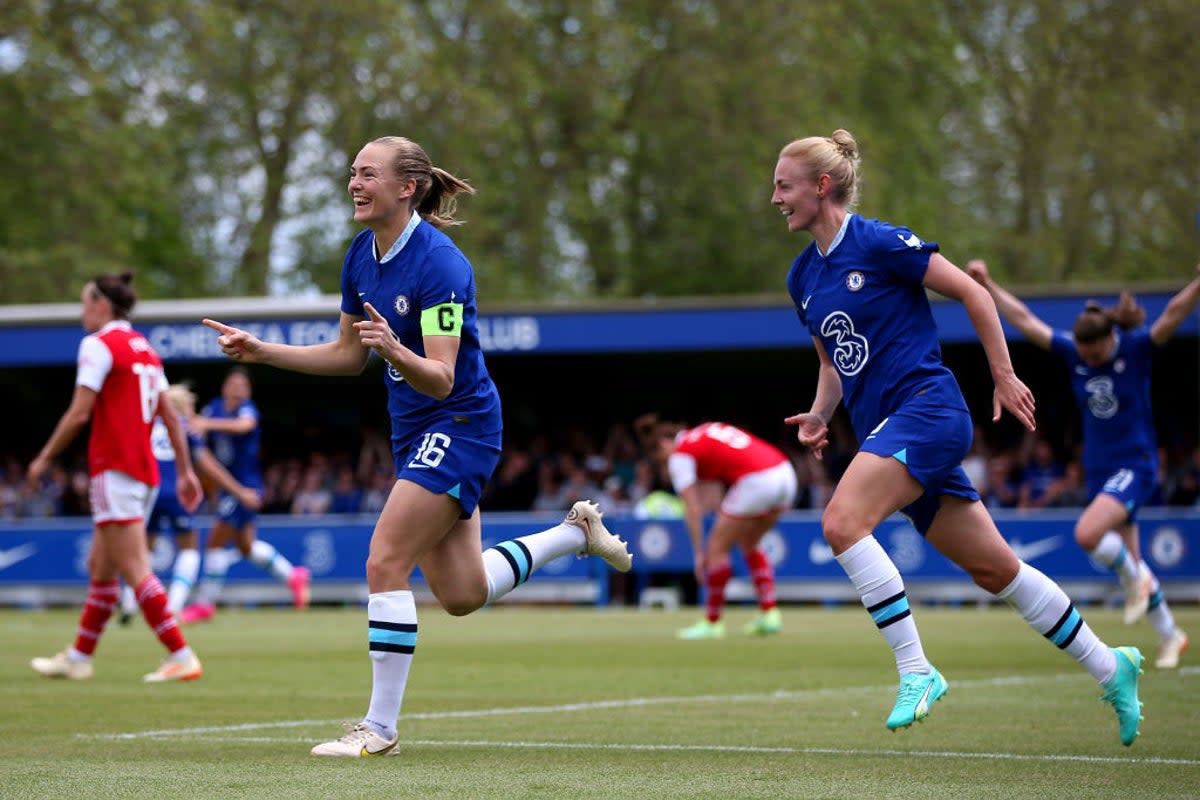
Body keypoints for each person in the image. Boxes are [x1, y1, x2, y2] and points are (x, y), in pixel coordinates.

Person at [200, 135, 633, 757]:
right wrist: (262, 351)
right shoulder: (359, 255)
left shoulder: (441, 264)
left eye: (367, 174)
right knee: (460, 594)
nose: (354, 182)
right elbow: (349, 356)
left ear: (406, 187)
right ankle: (574, 534)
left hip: (460, 423)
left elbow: (442, 376)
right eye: (352, 172)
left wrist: (395, 349)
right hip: (415, 431)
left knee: (384, 560)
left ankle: (379, 729)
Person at [772, 129, 1143, 744]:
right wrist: (818, 414)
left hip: (929, 411)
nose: (775, 198)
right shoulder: (801, 277)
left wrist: (1002, 374)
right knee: (997, 571)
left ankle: (917, 669)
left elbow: (971, 292)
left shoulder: (880, 240)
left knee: (841, 524)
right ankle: (1113, 667)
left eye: (784, 186)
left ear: (822, 186)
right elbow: (831, 361)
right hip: (890, 431)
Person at [968, 258, 1197, 669]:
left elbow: (1176, 311)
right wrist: (988, 285)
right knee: (1133, 564)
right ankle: (1171, 635)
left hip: (1136, 463)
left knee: (1088, 533)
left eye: (1094, 354)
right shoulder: (1073, 352)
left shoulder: (1138, 348)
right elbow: (1025, 319)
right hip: (1099, 467)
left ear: (1110, 339)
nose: (1088, 361)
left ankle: (1137, 583)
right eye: (1084, 355)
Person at [27, 272, 205, 682]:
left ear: (102, 305)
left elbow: (78, 413)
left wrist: (44, 457)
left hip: (115, 468)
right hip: (142, 474)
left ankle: (180, 654)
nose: (82, 311)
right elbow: (171, 419)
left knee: (135, 567)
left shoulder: (98, 345)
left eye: (85, 302)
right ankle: (79, 657)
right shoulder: (145, 349)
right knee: (101, 565)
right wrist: (184, 471)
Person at [636, 414, 795, 639]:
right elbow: (718, 487)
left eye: (661, 459)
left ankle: (713, 622)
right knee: (750, 543)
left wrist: (700, 553)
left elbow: (693, 509)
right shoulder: (705, 431)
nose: (666, 467)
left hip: (757, 480)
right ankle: (770, 614)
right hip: (784, 473)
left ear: (663, 444)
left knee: (715, 551)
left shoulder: (680, 455)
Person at [118, 384, 264, 621]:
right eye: (189, 406)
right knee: (189, 550)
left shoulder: (147, 425)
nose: (192, 412)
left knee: (142, 550)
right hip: (177, 493)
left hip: (147, 492)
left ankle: (128, 602)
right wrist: (239, 491)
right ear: (181, 406)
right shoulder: (183, 427)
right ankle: (173, 606)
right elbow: (209, 465)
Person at [180, 367, 310, 622]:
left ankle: (205, 604)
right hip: (227, 486)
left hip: (245, 487)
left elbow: (243, 426)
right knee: (246, 546)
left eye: (242, 385)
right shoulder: (214, 407)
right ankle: (293, 575)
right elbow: (200, 434)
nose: (237, 389)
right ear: (224, 387)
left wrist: (206, 423)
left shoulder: (247, 410)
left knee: (215, 542)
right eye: (233, 384)